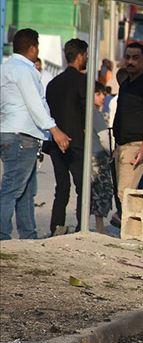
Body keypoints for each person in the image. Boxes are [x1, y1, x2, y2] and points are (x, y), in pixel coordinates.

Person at [1, 28, 69, 240]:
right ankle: (2, 234)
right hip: (22, 135)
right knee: (12, 189)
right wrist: (55, 130)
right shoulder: (24, 70)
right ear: (32, 48)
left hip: (10, 132)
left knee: (27, 191)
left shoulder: (6, 68)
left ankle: (28, 235)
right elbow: (35, 104)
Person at [112, 42, 143, 224]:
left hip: (137, 145)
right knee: (126, 192)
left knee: (125, 192)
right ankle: (133, 231)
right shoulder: (126, 83)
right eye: (128, 57)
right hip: (122, 145)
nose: (130, 61)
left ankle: (132, 233)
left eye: (135, 58)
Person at [45, 38, 89, 236]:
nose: (87, 58)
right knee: (82, 186)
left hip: (55, 141)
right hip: (76, 142)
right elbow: (85, 113)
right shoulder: (83, 81)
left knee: (61, 186)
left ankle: (56, 226)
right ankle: (82, 227)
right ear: (80, 56)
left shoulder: (53, 83)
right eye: (86, 54)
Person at [90, 82, 115, 234]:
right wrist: (112, 152)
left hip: (85, 156)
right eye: (98, 94)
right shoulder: (95, 114)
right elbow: (104, 138)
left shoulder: (81, 112)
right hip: (98, 156)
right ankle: (100, 228)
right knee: (102, 192)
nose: (102, 98)